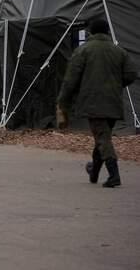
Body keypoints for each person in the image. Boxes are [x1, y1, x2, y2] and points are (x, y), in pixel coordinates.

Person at [58, 18, 137, 188]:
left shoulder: (83, 51)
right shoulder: (119, 51)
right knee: (102, 136)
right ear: (107, 32)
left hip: (93, 102)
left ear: (91, 32)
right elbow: (131, 73)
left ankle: (114, 175)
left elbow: (70, 80)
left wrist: (62, 102)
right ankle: (94, 171)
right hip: (113, 102)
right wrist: (117, 84)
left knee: (102, 137)